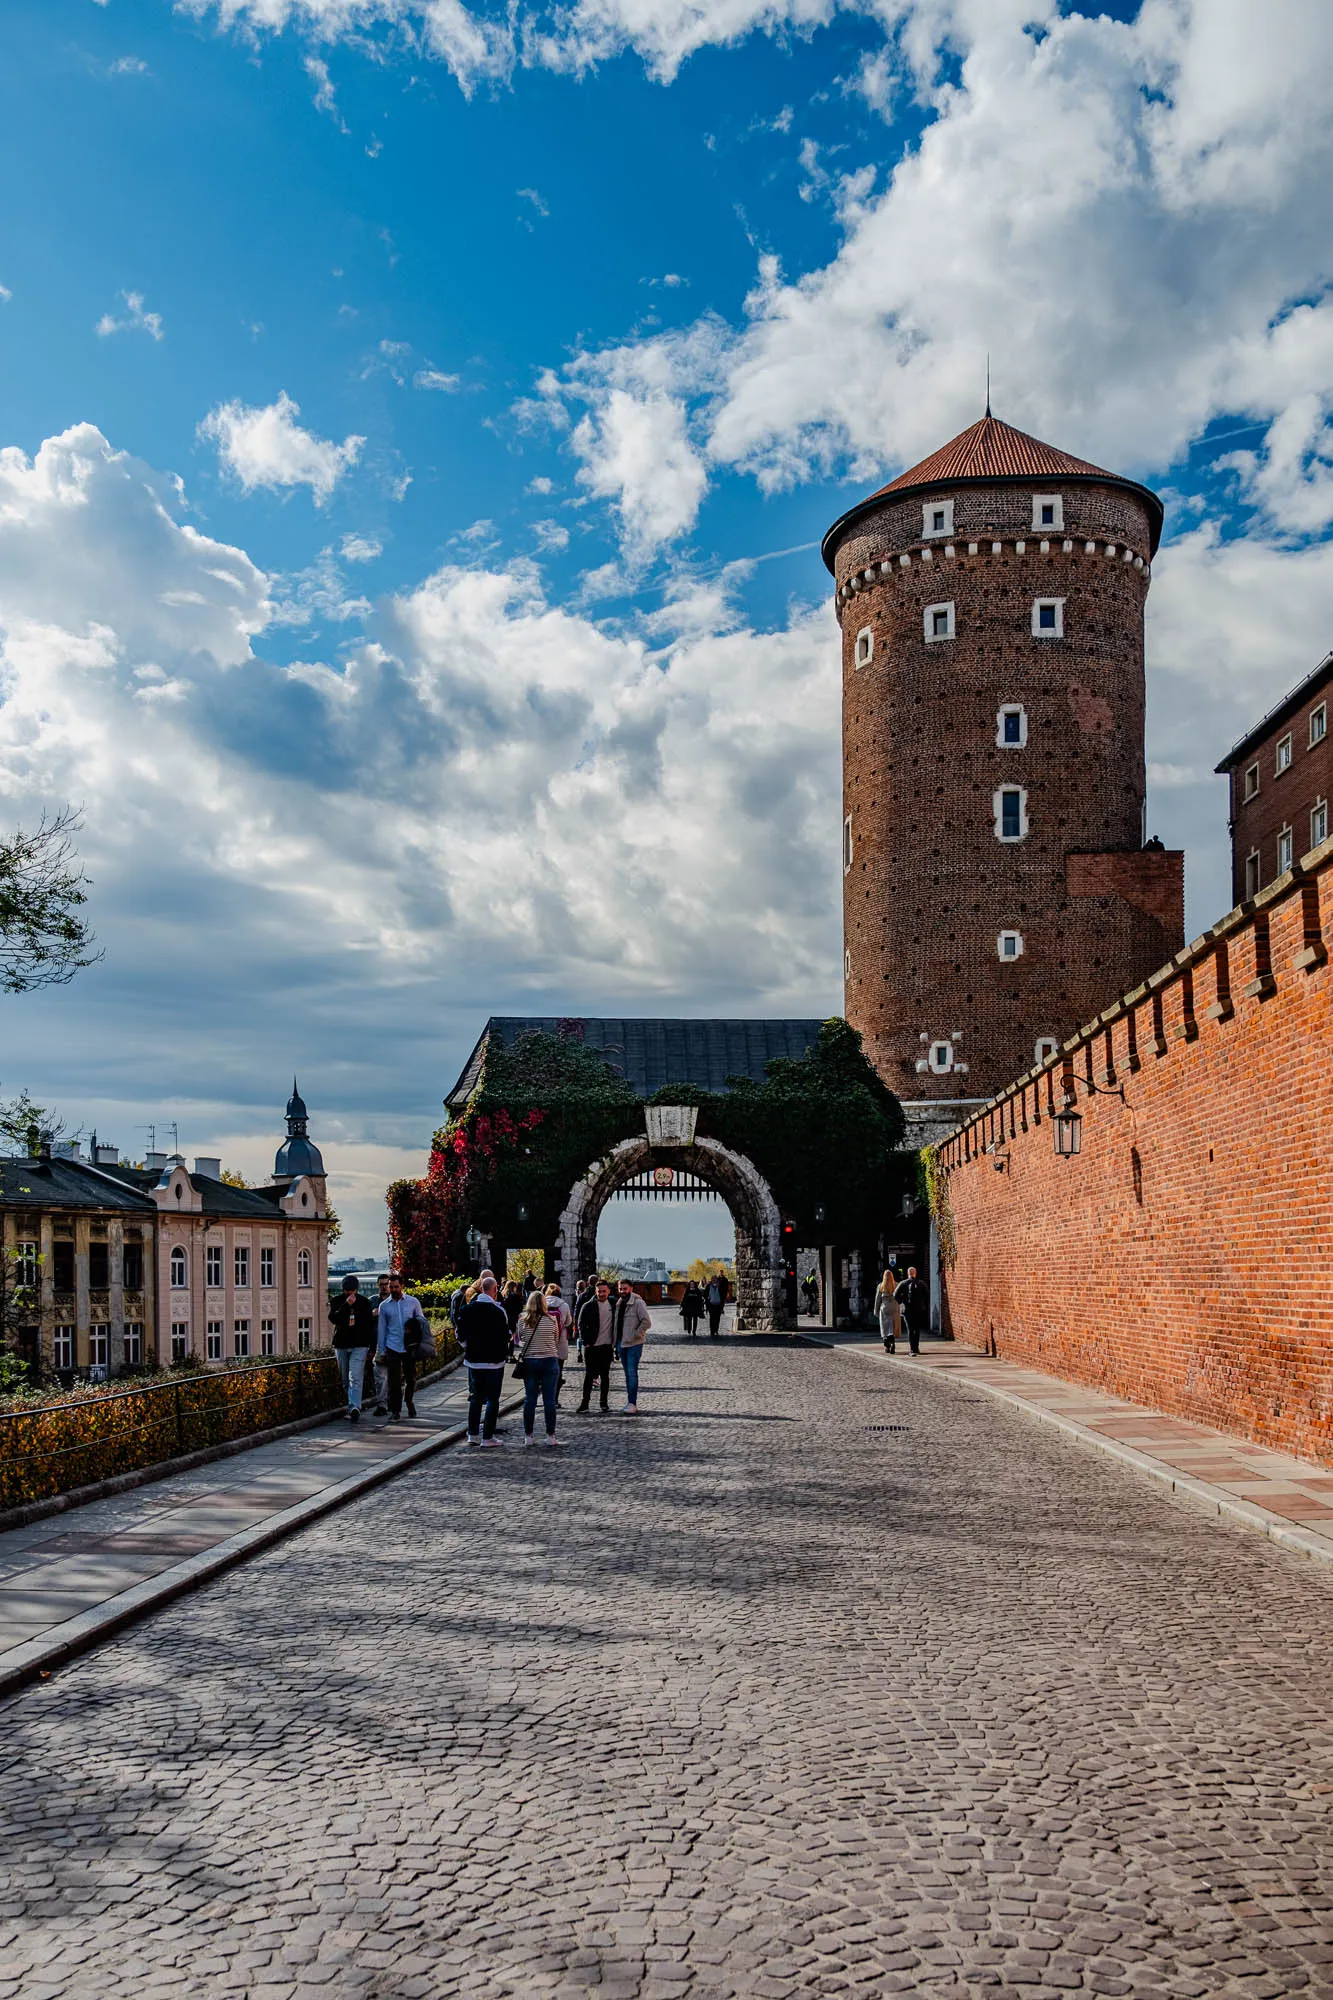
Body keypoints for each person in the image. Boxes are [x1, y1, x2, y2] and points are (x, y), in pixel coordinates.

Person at [456, 1274, 511, 1446]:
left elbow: (459, 1334)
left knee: (476, 1398)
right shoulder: (499, 1311)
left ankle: (472, 1433)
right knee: (493, 1399)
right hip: (494, 1361)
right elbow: (506, 1335)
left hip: (474, 1360)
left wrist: (468, 1347)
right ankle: (488, 1436)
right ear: (495, 1290)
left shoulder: (467, 1309)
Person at [516, 1288, 569, 1448]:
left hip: (530, 1361)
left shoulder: (522, 1320)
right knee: (549, 1400)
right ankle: (550, 1435)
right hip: (549, 1360)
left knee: (530, 1399)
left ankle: (528, 1435)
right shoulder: (552, 1320)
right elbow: (556, 1337)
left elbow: (520, 1340)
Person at [375, 1273, 430, 1417]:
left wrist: (414, 1332)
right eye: (391, 1287)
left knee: (411, 1378)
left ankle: (409, 1400)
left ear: (402, 1286)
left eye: (396, 1287)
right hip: (392, 1346)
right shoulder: (384, 1306)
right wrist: (381, 1350)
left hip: (409, 1346)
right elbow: (382, 1330)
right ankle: (395, 1410)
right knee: (394, 1381)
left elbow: (422, 1322)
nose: (393, 1289)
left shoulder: (413, 1302)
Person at [328, 1275, 376, 1421]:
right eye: (347, 1291)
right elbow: (334, 1319)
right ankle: (351, 1404)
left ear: (356, 1289)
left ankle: (355, 1406)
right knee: (345, 1379)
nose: (350, 1294)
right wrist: (346, 1306)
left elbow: (369, 1326)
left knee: (355, 1376)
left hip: (359, 1344)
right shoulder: (337, 1301)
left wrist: (371, 1347)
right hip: (342, 1344)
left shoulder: (364, 1302)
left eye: (352, 1291)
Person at [576, 1279, 616, 1412]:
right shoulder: (588, 1306)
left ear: (609, 1291)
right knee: (589, 1376)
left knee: (605, 1376)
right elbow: (580, 1325)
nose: (602, 1294)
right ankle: (585, 1403)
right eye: (599, 1291)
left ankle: (603, 1403)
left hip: (607, 1346)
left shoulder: (614, 1304)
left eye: (604, 1291)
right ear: (595, 1291)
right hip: (591, 1346)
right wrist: (585, 1342)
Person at [614, 1279, 652, 1414]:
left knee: (631, 1373)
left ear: (631, 1288)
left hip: (634, 1344)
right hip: (621, 1343)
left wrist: (636, 1334)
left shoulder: (638, 1302)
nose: (622, 1291)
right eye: (620, 1289)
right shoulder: (619, 1303)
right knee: (627, 1374)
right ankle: (630, 1401)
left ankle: (632, 1403)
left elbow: (646, 1322)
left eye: (625, 1288)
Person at [369, 1273, 393, 1415]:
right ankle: (382, 1404)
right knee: (380, 1376)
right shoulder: (372, 1302)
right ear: (378, 1286)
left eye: (386, 1284)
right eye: (381, 1284)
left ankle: (391, 1402)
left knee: (392, 1376)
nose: (384, 1287)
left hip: (394, 1344)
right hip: (378, 1345)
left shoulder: (394, 1301)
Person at [893, 1265, 930, 1356]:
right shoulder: (922, 1284)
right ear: (915, 1273)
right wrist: (924, 1306)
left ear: (908, 1274)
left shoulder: (903, 1283)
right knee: (917, 1329)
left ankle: (912, 1349)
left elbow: (895, 1295)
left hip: (907, 1309)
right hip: (919, 1309)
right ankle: (916, 1347)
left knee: (910, 1329)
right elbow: (927, 1296)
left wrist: (901, 1302)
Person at [874, 1269, 900, 1355]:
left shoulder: (881, 1286)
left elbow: (877, 1300)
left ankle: (886, 1344)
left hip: (885, 1307)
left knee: (884, 1326)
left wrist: (876, 1310)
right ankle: (892, 1342)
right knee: (892, 1325)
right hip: (894, 1307)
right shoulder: (896, 1285)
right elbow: (900, 1296)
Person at [705, 1270, 728, 1339]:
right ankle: (712, 1331)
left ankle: (716, 1330)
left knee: (717, 1318)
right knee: (712, 1319)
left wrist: (722, 1303)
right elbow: (705, 1294)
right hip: (711, 1304)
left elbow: (724, 1292)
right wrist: (707, 1300)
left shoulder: (720, 1286)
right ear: (711, 1280)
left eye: (715, 1279)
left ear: (717, 1280)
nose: (714, 1280)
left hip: (718, 1305)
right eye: (713, 1279)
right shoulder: (708, 1286)